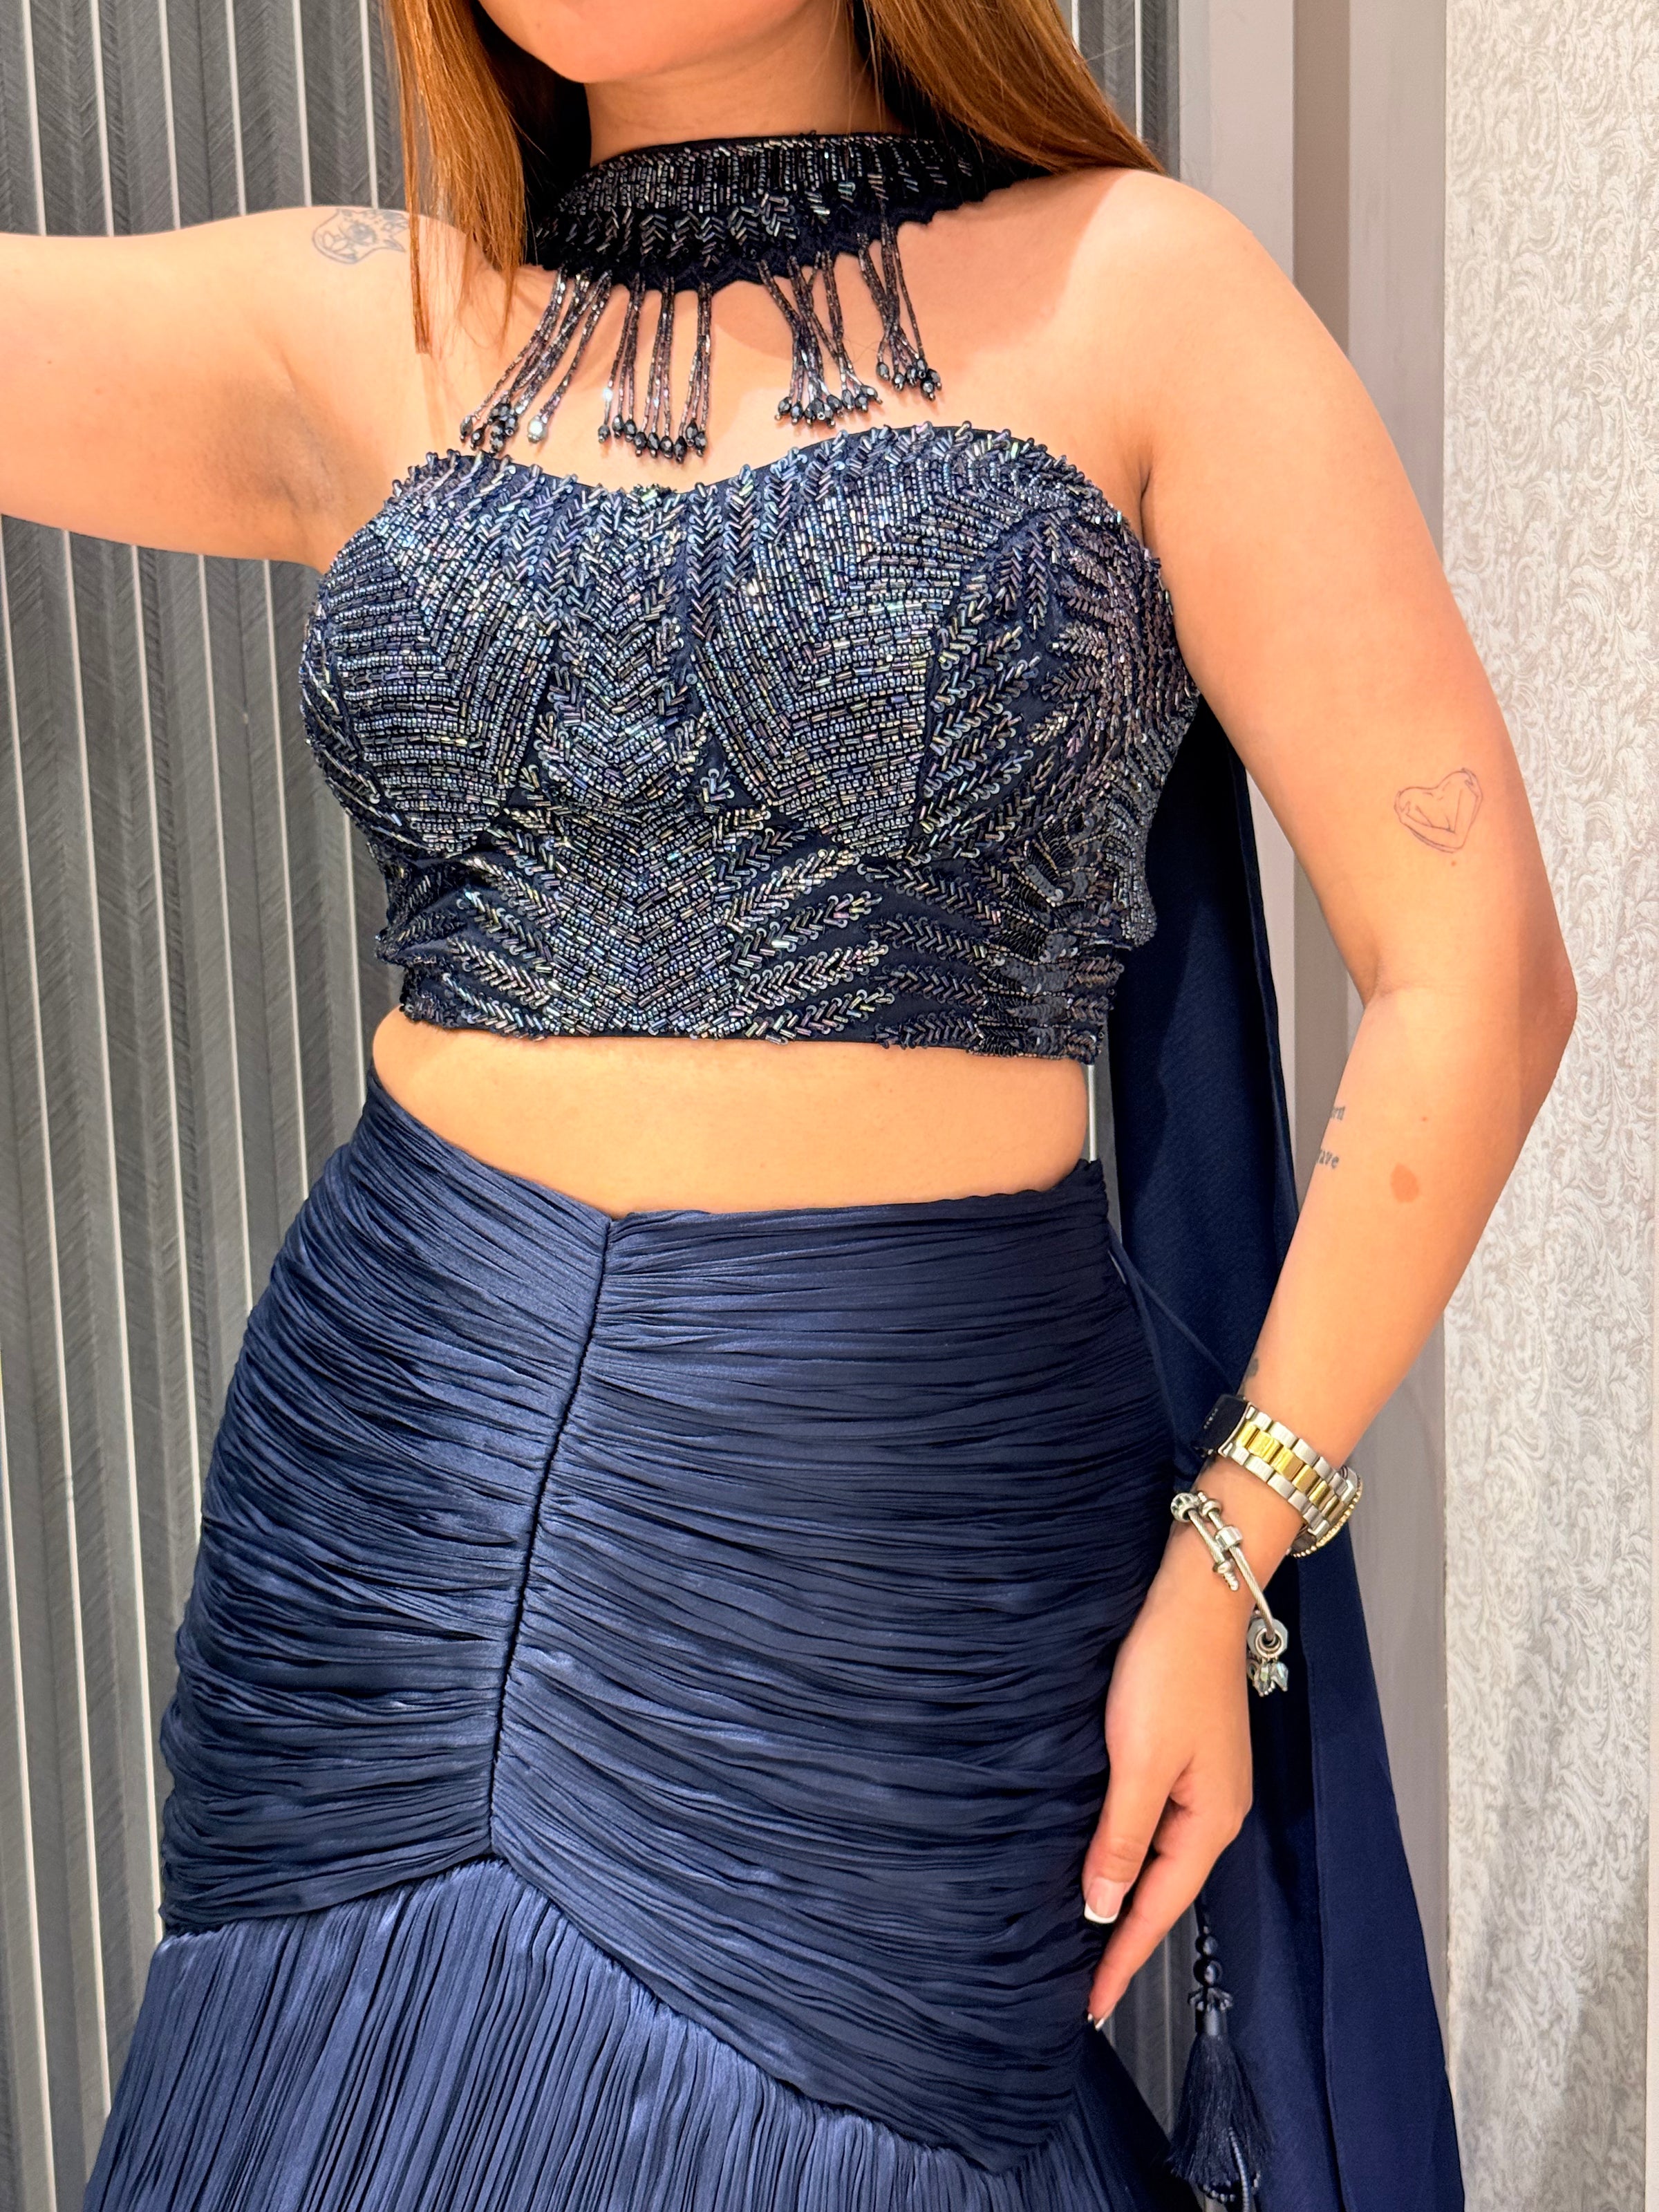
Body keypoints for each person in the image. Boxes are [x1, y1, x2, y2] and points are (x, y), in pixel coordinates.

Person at [2, 1, 1572, 2206]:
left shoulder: (1137, 292)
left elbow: (1474, 970)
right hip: (396, 1502)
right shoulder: (370, 321)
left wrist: (1232, 1549)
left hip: (885, 1541)